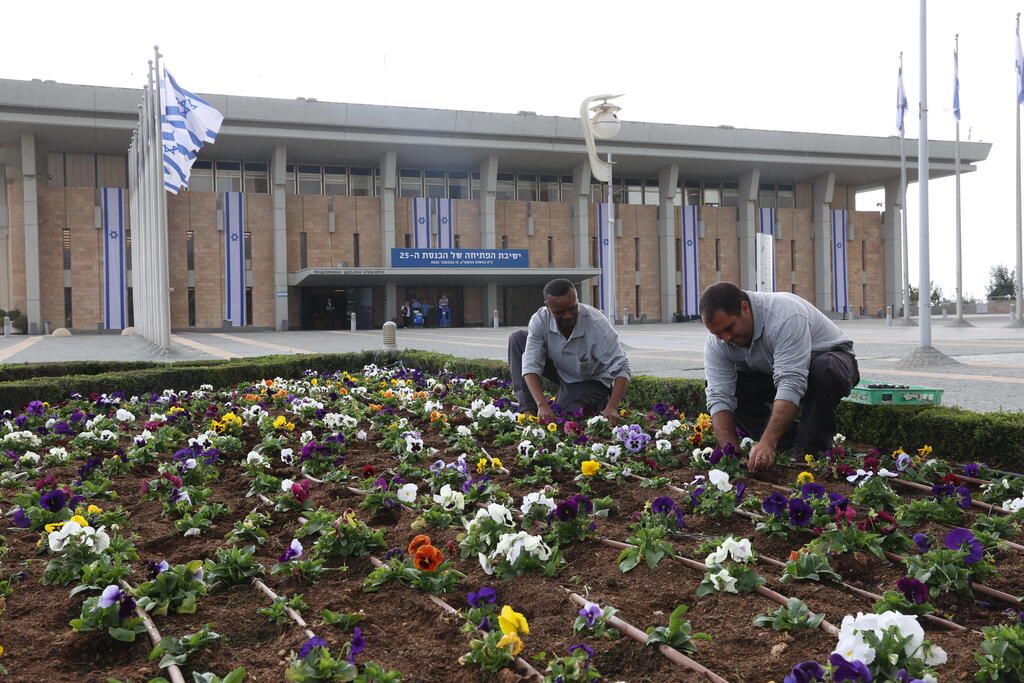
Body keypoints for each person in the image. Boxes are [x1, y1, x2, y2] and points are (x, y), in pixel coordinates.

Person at [700, 281, 860, 472]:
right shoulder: (717, 343)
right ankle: (787, 443)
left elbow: (791, 382)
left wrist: (768, 442)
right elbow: (719, 396)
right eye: (717, 334)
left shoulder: (785, 315)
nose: (725, 338)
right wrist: (731, 454)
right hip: (776, 371)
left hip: (831, 362)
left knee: (823, 372)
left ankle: (811, 452)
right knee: (730, 386)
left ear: (745, 308)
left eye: (729, 328)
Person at [507, 278, 631, 424]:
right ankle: (528, 409)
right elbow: (530, 363)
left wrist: (612, 407)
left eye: (572, 308)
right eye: (559, 312)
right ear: (547, 306)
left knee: (562, 416)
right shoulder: (540, 320)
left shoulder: (597, 324)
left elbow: (622, 367)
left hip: (590, 381)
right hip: (561, 371)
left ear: (577, 300)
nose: (568, 315)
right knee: (517, 339)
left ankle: (598, 402)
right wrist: (542, 404)